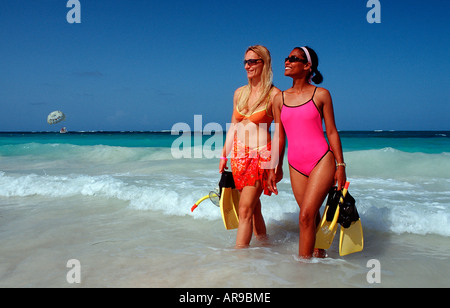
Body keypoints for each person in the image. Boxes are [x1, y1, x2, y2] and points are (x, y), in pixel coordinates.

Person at [268, 46, 346, 259]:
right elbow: (279, 137)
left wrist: (341, 166)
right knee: (311, 218)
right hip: (295, 165)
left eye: (293, 59)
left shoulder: (321, 95)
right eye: (287, 58)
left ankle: (302, 272)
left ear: (307, 65)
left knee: (304, 217)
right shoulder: (279, 99)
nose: (287, 61)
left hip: (322, 160)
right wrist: (275, 167)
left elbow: (331, 131)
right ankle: (318, 260)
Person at [220, 45, 281, 248]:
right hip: (238, 157)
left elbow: (281, 132)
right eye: (246, 61)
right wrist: (223, 155)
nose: (248, 65)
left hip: (260, 156)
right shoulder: (239, 93)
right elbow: (233, 126)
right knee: (254, 208)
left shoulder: (274, 95)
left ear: (265, 63)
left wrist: (275, 165)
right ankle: (264, 247)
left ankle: (239, 260)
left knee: (244, 209)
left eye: (253, 61)